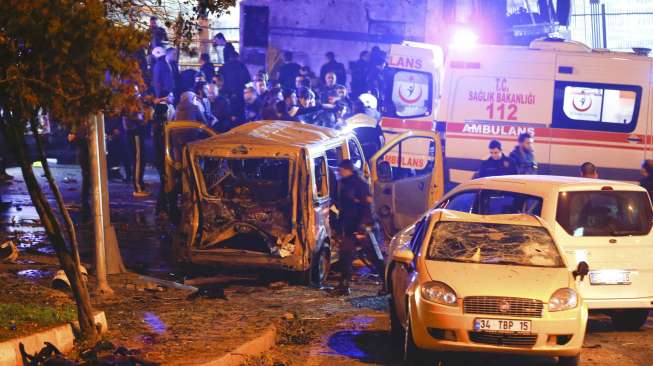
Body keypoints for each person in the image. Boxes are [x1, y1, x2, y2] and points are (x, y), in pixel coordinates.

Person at [335, 159, 380, 295]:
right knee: (345, 256)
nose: (338, 172)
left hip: (363, 228)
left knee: (374, 256)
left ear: (347, 169)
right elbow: (344, 208)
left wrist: (363, 227)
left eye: (341, 169)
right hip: (350, 227)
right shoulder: (344, 183)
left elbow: (367, 207)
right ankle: (344, 285)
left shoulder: (359, 185)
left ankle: (387, 283)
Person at [123, 99, 149, 197]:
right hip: (135, 134)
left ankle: (140, 185)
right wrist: (144, 120)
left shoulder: (137, 104)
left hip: (138, 134)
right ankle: (138, 187)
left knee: (142, 160)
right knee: (138, 160)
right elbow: (133, 120)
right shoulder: (129, 106)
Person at [68, 124, 91, 214]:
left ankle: (85, 199)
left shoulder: (81, 124)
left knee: (87, 177)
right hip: (85, 153)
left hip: (86, 152)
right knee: (86, 177)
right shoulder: (80, 124)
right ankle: (85, 199)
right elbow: (72, 138)